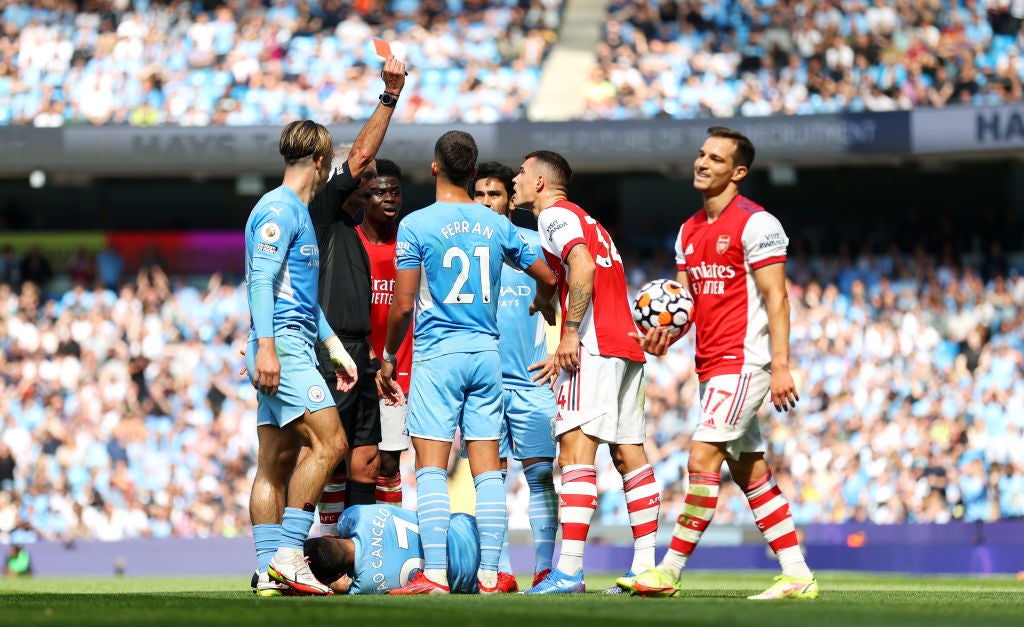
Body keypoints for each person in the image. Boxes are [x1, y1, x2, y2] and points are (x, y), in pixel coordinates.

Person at [616, 126, 817, 600]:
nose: (702, 163)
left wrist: (782, 365)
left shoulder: (757, 224)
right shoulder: (688, 230)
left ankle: (668, 570)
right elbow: (684, 302)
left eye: (716, 158)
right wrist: (666, 334)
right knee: (751, 472)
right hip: (711, 365)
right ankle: (796, 574)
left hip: (746, 361)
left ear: (738, 172)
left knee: (701, 457)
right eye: (701, 155)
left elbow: (777, 298)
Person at [375, 131, 557, 595]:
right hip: (486, 354)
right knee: (487, 468)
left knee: (432, 467)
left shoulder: (417, 224)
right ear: (473, 173)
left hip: (439, 354)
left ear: (434, 169)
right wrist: (543, 298)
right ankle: (492, 576)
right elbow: (548, 275)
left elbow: (402, 305)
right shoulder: (497, 225)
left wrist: (391, 355)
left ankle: (435, 574)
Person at [513, 150, 661, 595]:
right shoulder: (585, 219)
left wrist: (570, 333)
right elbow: (570, 270)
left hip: (593, 346)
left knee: (575, 451)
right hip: (626, 345)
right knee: (629, 455)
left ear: (540, 182)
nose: (516, 179)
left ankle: (570, 571)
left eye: (521, 173)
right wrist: (547, 296)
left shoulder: (554, 216)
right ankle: (644, 568)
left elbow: (582, 266)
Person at [243, 119, 359, 596]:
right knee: (331, 444)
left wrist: (333, 349)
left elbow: (305, 298)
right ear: (320, 162)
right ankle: (290, 556)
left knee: (276, 459)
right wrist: (266, 346)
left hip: (291, 340)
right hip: (283, 346)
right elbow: (260, 281)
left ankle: (266, 569)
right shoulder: (279, 209)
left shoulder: (296, 213)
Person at [307, 55, 408, 528]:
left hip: (361, 354)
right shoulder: (322, 214)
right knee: (328, 455)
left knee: (365, 461)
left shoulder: (350, 231)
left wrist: (376, 357)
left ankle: (366, 552)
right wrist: (390, 96)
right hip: (330, 353)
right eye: (364, 182)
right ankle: (312, 551)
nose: (370, 188)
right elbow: (362, 157)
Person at [471, 161, 558, 592]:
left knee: (541, 476)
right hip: (482, 384)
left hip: (532, 382)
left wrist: (564, 348)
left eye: (495, 194)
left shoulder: (535, 243)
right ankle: (500, 569)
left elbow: (571, 293)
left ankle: (545, 568)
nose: (487, 202)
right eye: (480, 195)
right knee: (491, 480)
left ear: (511, 199)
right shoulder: (465, 249)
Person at [356, 159, 413, 507]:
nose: (388, 198)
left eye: (394, 191)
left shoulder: (412, 243)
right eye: (379, 192)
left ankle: (388, 543)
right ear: (364, 196)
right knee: (354, 463)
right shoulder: (350, 242)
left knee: (389, 463)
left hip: (399, 371)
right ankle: (345, 545)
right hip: (358, 368)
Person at [303, 504, 480, 594]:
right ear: (329, 537)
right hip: (472, 527)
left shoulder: (366, 584)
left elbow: (344, 587)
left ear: (336, 576)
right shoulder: (357, 515)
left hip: (473, 577)